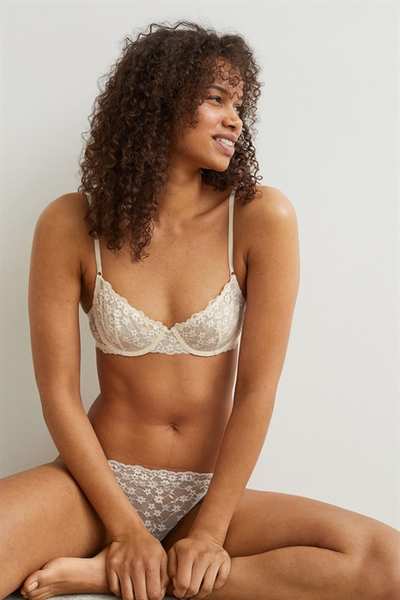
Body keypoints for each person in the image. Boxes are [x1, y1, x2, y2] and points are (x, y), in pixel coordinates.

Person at [1, 20, 399, 600]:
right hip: (93, 489)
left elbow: (256, 391)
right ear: (159, 101)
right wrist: (125, 530)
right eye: (216, 99)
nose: (235, 119)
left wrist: (210, 534)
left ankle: (117, 576)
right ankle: (136, 560)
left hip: (206, 498)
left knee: (388, 564)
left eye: (239, 104)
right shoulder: (71, 223)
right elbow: (58, 394)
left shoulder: (259, 219)